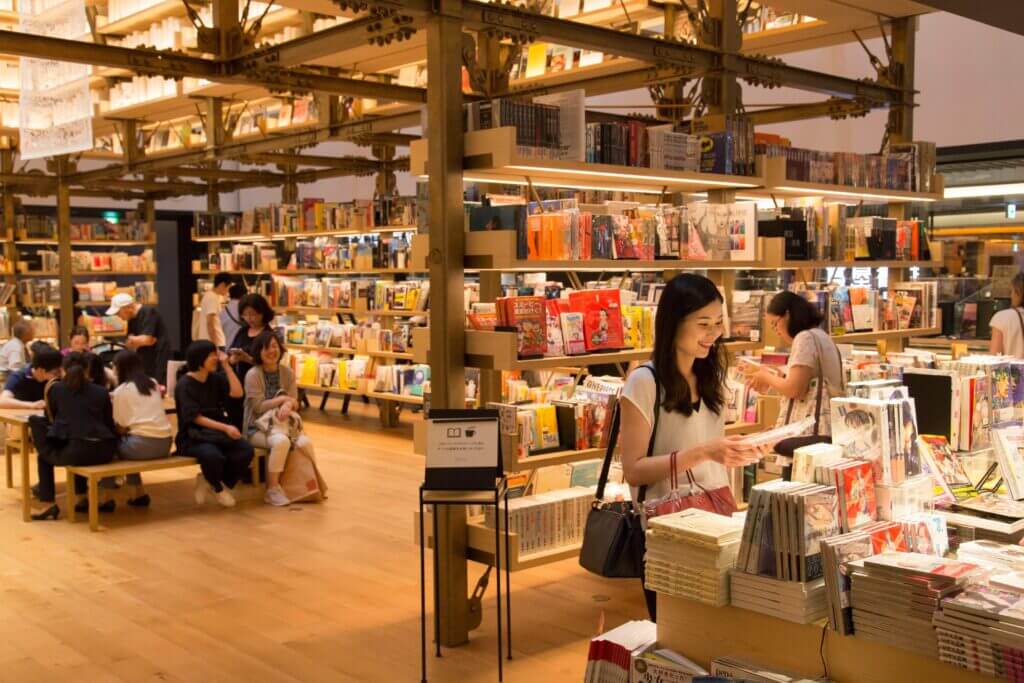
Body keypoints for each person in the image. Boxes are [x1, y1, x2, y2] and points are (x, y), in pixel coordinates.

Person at [619, 274, 765, 621]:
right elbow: (633, 470)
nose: (713, 334)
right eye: (703, 324)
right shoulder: (644, 382)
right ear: (673, 323)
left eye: (717, 323)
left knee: (715, 630)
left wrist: (739, 449)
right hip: (668, 529)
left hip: (717, 518)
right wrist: (704, 452)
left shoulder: (709, 376)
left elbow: (711, 450)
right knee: (675, 632)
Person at [30, 352, 118, 520]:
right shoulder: (101, 391)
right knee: (78, 443)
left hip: (77, 450)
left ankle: (49, 504)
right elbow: (109, 423)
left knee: (45, 456)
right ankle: (81, 498)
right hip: (104, 451)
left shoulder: (55, 389)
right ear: (87, 369)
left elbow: (54, 421)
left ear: (62, 370)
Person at [744, 291, 844, 434]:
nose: (776, 331)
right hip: (828, 429)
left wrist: (765, 376)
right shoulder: (822, 336)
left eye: (775, 324)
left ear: (787, 315)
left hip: (811, 433)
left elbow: (795, 390)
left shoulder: (805, 338)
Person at [174, 340, 254, 508]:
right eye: (212, 356)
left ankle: (209, 479)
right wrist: (226, 427)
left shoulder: (215, 379)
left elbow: (238, 393)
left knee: (245, 450)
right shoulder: (185, 384)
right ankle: (217, 488)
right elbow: (195, 417)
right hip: (192, 436)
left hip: (216, 432)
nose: (216, 359)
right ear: (199, 359)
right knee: (213, 455)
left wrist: (227, 367)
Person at [244, 331, 315, 507]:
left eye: (275, 346)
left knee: (305, 443)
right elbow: (258, 407)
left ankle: (303, 485)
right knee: (281, 442)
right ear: (258, 352)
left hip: (284, 425)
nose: (271, 351)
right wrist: (283, 400)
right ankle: (272, 489)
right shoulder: (253, 374)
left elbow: (296, 403)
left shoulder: (287, 373)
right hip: (256, 428)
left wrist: (289, 405)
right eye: (266, 348)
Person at [112, 349, 174, 507]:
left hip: (141, 447)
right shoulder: (152, 383)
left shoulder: (120, 392)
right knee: (129, 441)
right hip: (165, 444)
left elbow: (121, 426)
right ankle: (138, 493)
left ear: (121, 368)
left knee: (110, 446)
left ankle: (104, 496)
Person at [227, 293, 276, 428]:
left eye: (254, 314)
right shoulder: (242, 331)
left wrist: (248, 359)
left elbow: (272, 363)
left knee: (255, 418)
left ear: (263, 313)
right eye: (245, 315)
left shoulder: (268, 334)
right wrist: (234, 358)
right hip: (241, 380)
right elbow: (230, 355)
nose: (250, 318)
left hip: (260, 384)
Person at [108, 293, 171, 384]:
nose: (118, 316)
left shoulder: (149, 312)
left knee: (159, 386)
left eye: (118, 312)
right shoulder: (131, 319)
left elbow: (147, 340)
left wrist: (137, 340)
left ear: (127, 307)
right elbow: (129, 343)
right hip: (144, 360)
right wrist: (140, 340)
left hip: (158, 359)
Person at [991, 271, 1024, 358]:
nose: (1011, 296)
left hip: (1013, 371)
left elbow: (995, 358)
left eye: (1012, 291)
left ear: (1018, 293)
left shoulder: (1002, 317)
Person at [196, 273, 232, 347]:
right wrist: (215, 345)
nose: (228, 291)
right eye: (228, 287)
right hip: (214, 342)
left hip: (209, 342)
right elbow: (210, 323)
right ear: (222, 285)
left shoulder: (210, 296)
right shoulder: (212, 298)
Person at [220, 282, 247, 349]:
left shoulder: (223, 311)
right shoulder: (245, 308)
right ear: (244, 295)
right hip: (243, 348)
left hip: (228, 348)